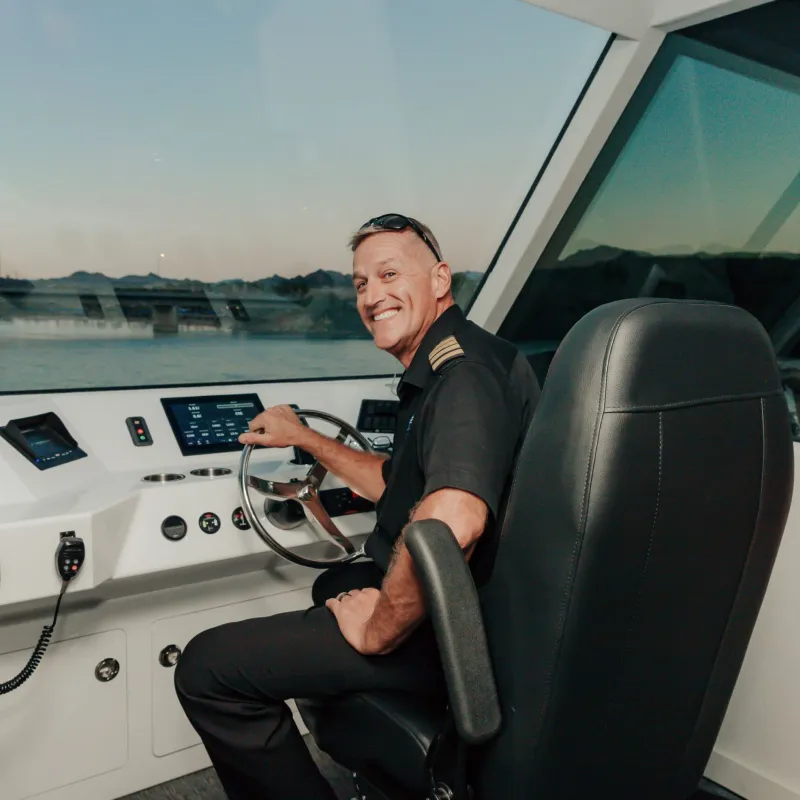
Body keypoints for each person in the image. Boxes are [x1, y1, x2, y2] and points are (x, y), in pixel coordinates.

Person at [174, 213, 540, 799]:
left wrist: (377, 630)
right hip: (481, 608)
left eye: (389, 275)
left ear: (440, 279)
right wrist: (305, 438)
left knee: (206, 669)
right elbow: (396, 484)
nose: (371, 297)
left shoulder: (463, 379)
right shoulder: (457, 361)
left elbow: (452, 523)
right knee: (337, 583)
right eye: (362, 283)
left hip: (459, 631)